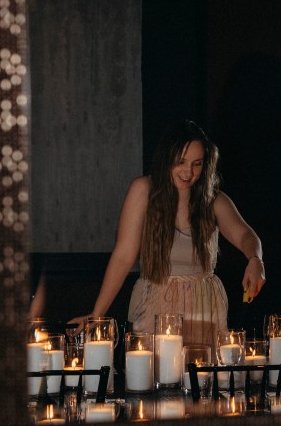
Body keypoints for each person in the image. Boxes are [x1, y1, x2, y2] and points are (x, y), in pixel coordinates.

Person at [69, 120, 265, 349]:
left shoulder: (213, 200)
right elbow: (123, 256)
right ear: (166, 158)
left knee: (199, 379)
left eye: (197, 164)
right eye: (181, 162)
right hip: (155, 304)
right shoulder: (143, 190)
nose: (189, 172)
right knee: (153, 376)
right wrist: (96, 314)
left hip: (202, 306)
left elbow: (246, 236)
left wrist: (256, 259)